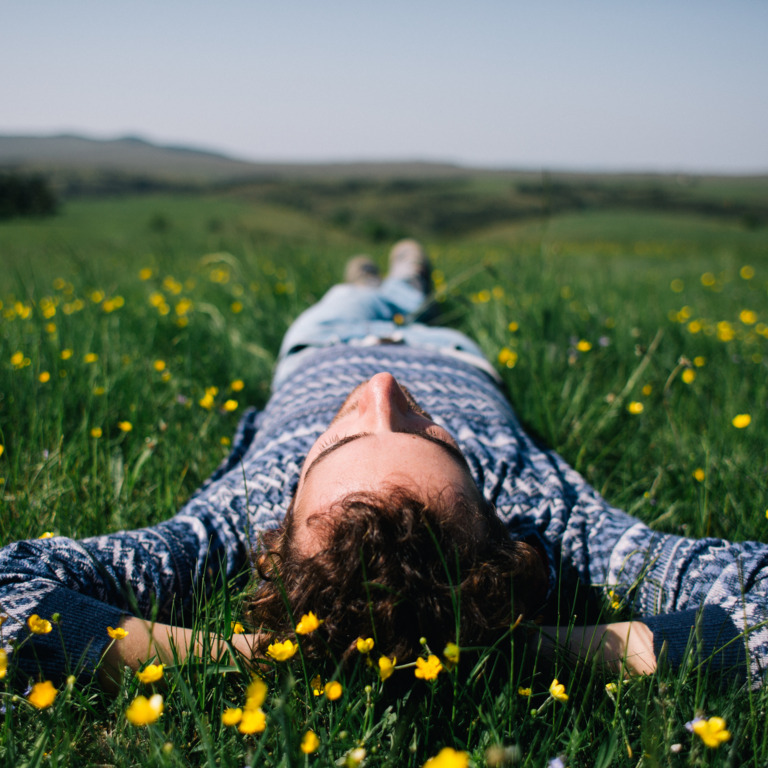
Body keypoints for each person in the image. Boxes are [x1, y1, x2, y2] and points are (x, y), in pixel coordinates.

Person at [0, 240, 764, 690]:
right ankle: (396, 285)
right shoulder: (549, 519)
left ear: (284, 519)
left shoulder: (234, 522)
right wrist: (524, 652)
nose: (380, 391)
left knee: (338, 304)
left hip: (319, 348)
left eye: (336, 443)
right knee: (384, 301)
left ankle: (380, 284)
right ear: (497, 514)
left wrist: (251, 658)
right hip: (453, 357)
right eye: (431, 438)